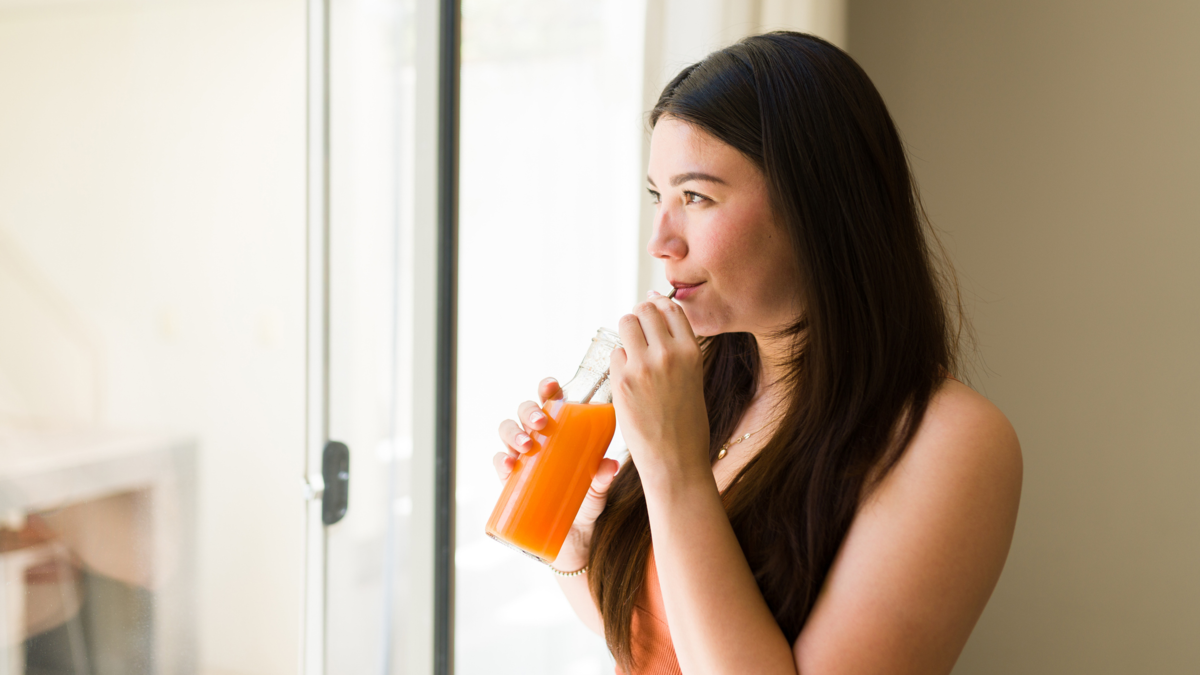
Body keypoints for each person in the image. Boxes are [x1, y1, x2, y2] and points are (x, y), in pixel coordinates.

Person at [493, 31, 1022, 675]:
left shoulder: (951, 442)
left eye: (696, 196)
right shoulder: (709, 383)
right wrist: (575, 538)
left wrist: (673, 468)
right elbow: (659, 647)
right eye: (659, 197)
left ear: (815, 206)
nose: (661, 241)